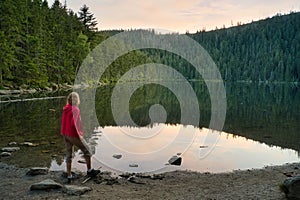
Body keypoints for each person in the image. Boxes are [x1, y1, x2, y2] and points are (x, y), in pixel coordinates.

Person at [61, 92, 100, 183]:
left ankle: (69, 175)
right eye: (74, 99)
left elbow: (64, 122)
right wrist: (78, 135)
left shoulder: (66, 108)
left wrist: (63, 133)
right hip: (73, 134)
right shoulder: (75, 109)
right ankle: (89, 171)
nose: (74, 100)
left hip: (66, 134)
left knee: (69, 154)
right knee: (88, 151)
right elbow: (73, 124)